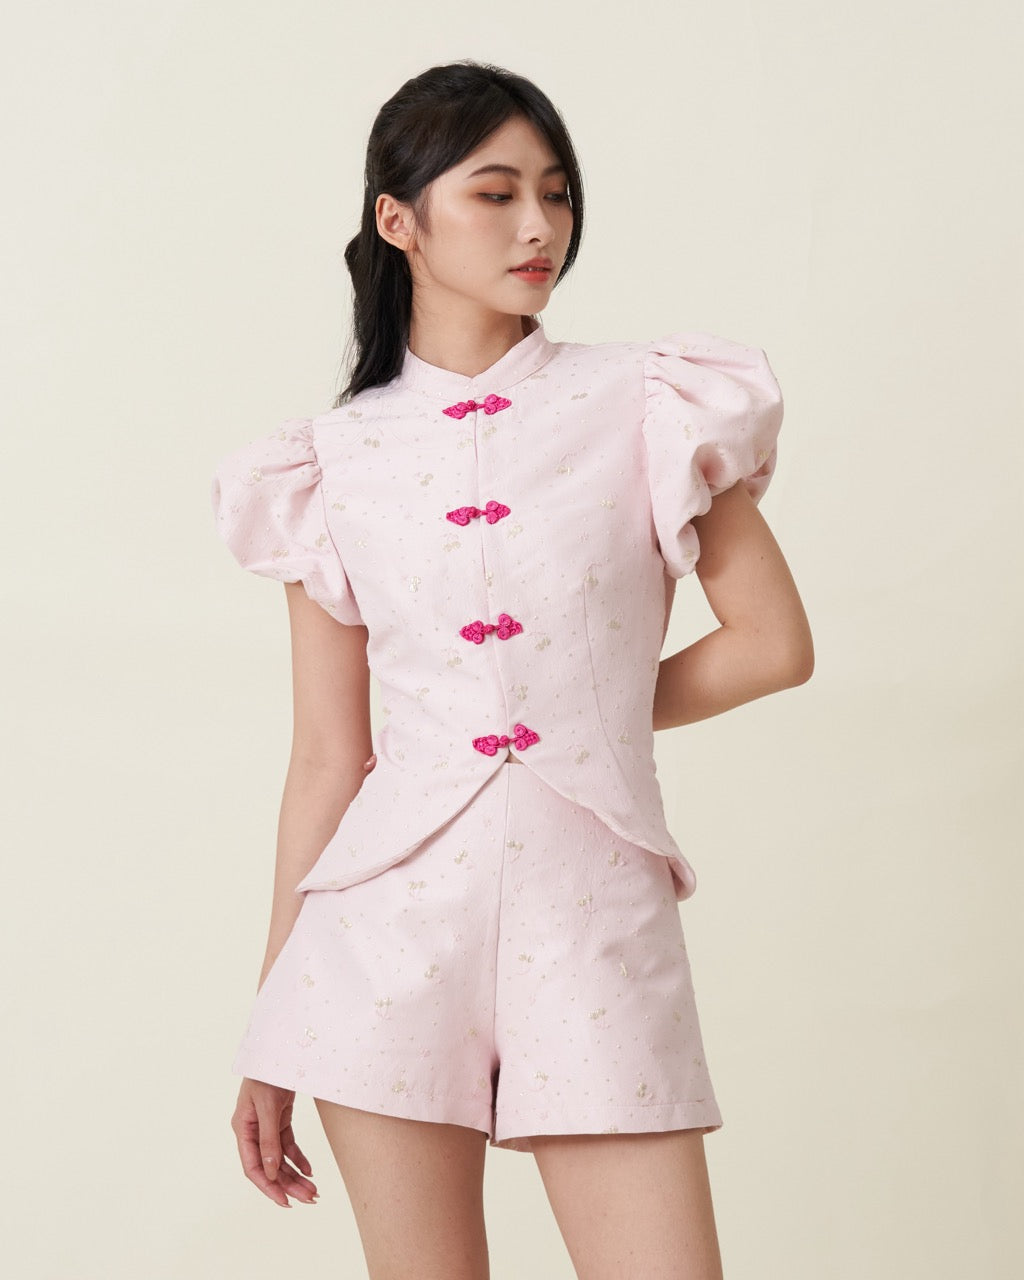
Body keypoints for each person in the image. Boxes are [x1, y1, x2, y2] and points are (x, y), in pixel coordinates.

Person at [211, 59, 813, 1280]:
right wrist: (272, 1022)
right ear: (399, 220)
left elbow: (772, 644)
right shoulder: (330, 461)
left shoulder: (648, 402)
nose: (538, 225)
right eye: (494, 194)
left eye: (556, 192)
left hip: (591, 917)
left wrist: (575, 708)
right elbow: (327, 756)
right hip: (378, 939)